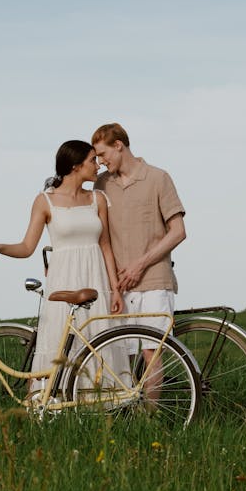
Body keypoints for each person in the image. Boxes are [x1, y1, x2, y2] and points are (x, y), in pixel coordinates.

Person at [0, 140, 125, 384]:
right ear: (75, 166)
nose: (97, 165)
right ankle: (56, 403)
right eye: (92, 160)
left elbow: (106, 246)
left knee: (99, 340)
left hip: (96, 280)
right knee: (59, 342)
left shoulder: (98, 199)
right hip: (63, 279)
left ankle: (102, 404)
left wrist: (116, 289)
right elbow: (26, 247)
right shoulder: (45, 201)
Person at [91, 122, 186, 336]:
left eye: (102, 154)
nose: (100, 162)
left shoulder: (158, 178)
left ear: (118, 145)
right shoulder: (101, 184)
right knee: (123, 360)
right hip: (118, 286)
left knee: (152, 355)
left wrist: (139, 265)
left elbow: (178, 231)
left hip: (154, 281)